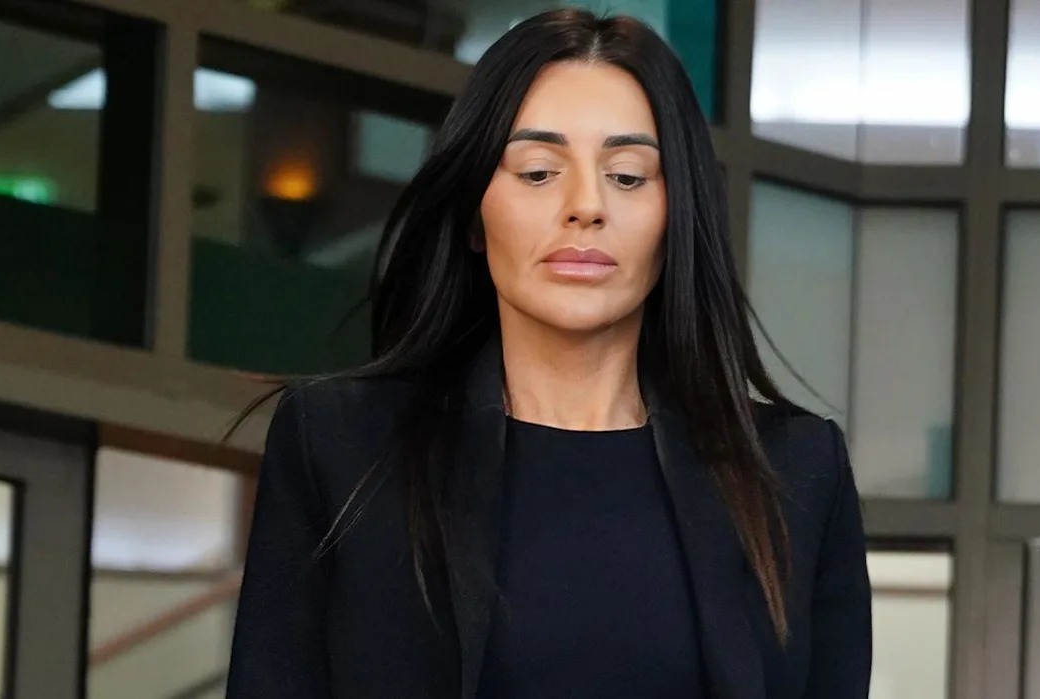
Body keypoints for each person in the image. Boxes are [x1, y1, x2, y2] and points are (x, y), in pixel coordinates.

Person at [225, 8, 871, 699]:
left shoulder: (796, 474)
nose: (586, 205)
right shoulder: (341, 446)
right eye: (537, 172)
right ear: (474, 215)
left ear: (677, 215)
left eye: (627, 175)